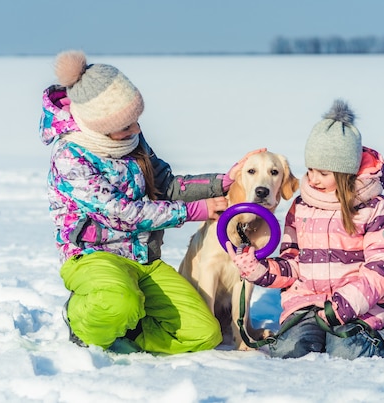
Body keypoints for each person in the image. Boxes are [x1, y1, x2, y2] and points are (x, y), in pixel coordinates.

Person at [40, 50, 261, 354]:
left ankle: (131, 332)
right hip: (93, 257)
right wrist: (195, 211)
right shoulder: (70, 157)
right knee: (117, 302)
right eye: (127, 125)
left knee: (203, 333)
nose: (137, 130)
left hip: (143, 259)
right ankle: (82, 321)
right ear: (97, 124)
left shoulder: (132, 142)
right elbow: (121, 212)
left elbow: (167, 185)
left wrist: (222, 181)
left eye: (136, 120)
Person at [226, 99, 384, 359]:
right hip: (306, 307)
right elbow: (292, 264)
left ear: (344, 172)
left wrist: (344, 305)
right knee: (289, 349)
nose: (312, 179)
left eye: (323, 173)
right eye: (310, 169)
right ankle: (318, 334)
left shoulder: (375, 209)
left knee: (347, 349)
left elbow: (383, 267)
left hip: (357, 308)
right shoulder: (301, 206)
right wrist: (259, 270)